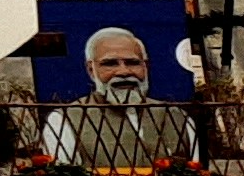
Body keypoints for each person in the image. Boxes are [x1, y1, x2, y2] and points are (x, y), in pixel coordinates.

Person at [41, 22, 196, 167]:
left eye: (133, 63)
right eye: (110, 64)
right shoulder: (65, 120)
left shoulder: (177, 118)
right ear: (91, 70)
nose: (124, 72)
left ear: (146, 66)